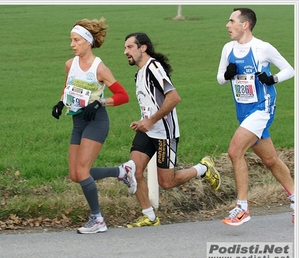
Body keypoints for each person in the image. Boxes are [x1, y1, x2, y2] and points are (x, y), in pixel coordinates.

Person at [122, 32, 221, 228]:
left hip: (164, 134)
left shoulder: (154, 68)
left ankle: (203, 168)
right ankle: (149, 216)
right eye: (125, 48)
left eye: (130, 47)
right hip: (147, 131)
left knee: (166, 183)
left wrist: (150, 121)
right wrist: (143, 122)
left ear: (143, 48)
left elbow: (174, 98)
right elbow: (151, 103)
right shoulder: (140, 73)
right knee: (133, 171)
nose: (125, 52)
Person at [51, 18, 134, 234]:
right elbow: (67, 87)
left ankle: (97, 219)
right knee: (75, 174)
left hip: (96, 122)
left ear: (87, 42)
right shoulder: (70, 64)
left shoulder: (99, 68)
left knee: (82, 170)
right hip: (77, 122)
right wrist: (61, 102)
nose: (72, 44)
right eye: (71, 40)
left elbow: (123, 96)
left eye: (76, 40)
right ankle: (122, 171)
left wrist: (99, 102)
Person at [217, 7, 295, 225]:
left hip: (262, 108)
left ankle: (242, 208)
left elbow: (290, 69)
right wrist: (228, 74)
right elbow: (220, 79)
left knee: (235, 151)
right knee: (270, 159)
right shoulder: (228, 48)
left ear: (245, 25)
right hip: (243, 111)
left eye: (231, 21)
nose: (227, 25)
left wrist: (273, 79)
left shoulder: (262, 48)